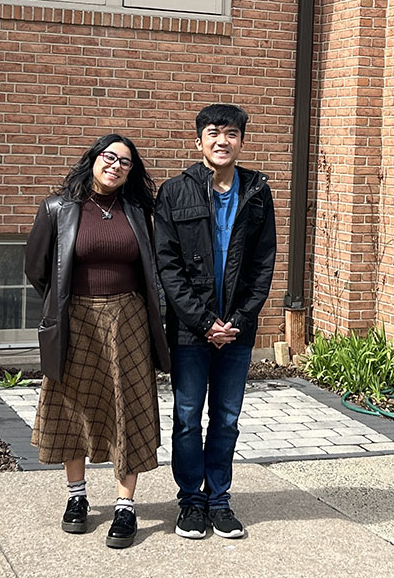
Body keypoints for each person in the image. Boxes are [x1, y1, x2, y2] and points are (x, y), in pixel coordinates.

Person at [25, 133, 171, 549]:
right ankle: (77, 498)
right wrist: (64, 306)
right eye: (109, 157)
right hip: (76, 321)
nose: (116, 166)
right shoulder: (58, 208)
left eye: (125, 162)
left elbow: (152, 269)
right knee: (73, 406)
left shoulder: (138, 211)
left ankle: (125, 505)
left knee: (130, 404)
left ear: (131, 171)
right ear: (93, 160)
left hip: (128, 320)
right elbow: (37, 270)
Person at [154, 103, 276, 540]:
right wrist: (206, 322)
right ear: (198, 141)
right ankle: (190, 501)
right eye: (213, 132)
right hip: (191, 331)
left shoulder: (258, 192)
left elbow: (263, 266)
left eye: (230, 133)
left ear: (241, 141)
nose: (222, 140)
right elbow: (168, 267)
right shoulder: (173, 192)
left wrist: (238, 322)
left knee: (226, 418)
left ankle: (219, 499)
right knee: (187, 416)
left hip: (237, 332)